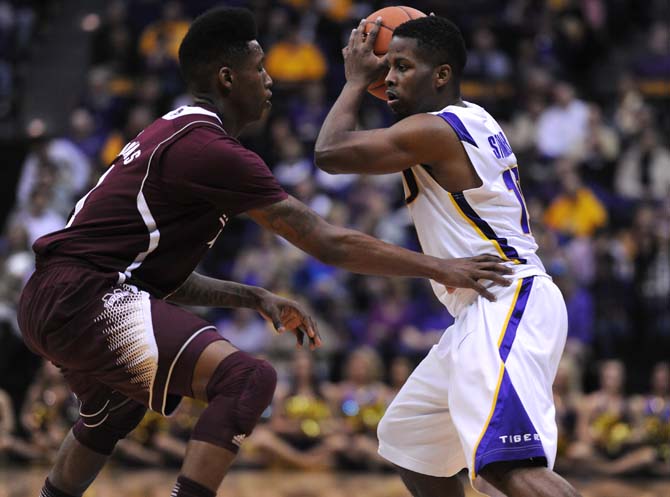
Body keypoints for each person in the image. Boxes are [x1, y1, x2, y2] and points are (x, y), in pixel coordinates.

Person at [18, 8, 512, 497]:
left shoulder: (177, 131)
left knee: (114, 412)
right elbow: (325, 241)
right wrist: (441, 266)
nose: (270, 80)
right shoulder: (207, 146)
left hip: (58, 295)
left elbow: (160, 276)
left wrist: (254, 296)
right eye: (260, 69)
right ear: (228, 78)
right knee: (246, 378)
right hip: (86, 297)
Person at [314, 15, 581, 497]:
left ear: (440, 75)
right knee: (410, 442)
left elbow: (330, 151)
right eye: (386, 67)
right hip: (487, 303)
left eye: (402, 66)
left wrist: (355, 80)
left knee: (508, 467)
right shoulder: (471, 117)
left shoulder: (437, 131)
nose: (388, 76)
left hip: (504, 296)